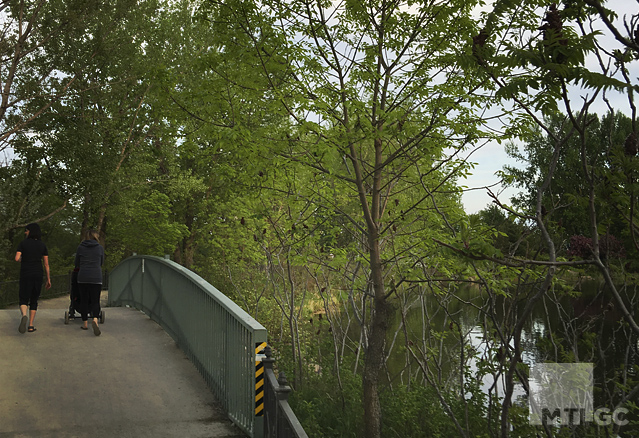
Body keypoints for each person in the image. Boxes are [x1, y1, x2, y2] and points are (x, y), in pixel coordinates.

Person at [15, 222, 51, 333]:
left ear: (30, 231)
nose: (25, 232)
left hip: (26, 273)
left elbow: (17, 258)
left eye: (26, 230)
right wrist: (48, 279)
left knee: (23, 298)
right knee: (34, 299)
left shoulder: (23, 243)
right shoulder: (42, 245)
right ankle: (30, 325)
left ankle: (24, 315)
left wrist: (23, 259)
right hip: (38, 274)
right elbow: (46, 264)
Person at [74, 229, 104, 336]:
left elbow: (76, 263)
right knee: (95, 300)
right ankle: (95, 319)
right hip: (96, 276)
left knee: (84, 300)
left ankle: (85, 323)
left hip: (83, 276)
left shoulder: (80, 247)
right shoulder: (100, 248)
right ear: (96, 237)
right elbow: (101, 262)